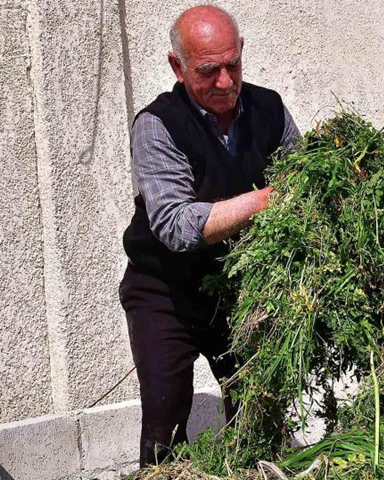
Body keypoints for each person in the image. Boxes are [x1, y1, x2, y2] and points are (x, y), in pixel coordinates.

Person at [118, 5, 300, 466]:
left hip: (236, 289)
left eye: (232, 65)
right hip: (164, 292)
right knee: (164, 424)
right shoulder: (157, 125)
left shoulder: (269, 109)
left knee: (258, 410)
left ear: (241, 51)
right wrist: (265, 200)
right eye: (207, 71)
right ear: (177, 67)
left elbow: (304, 182)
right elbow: (176, 225)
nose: (224, 82)